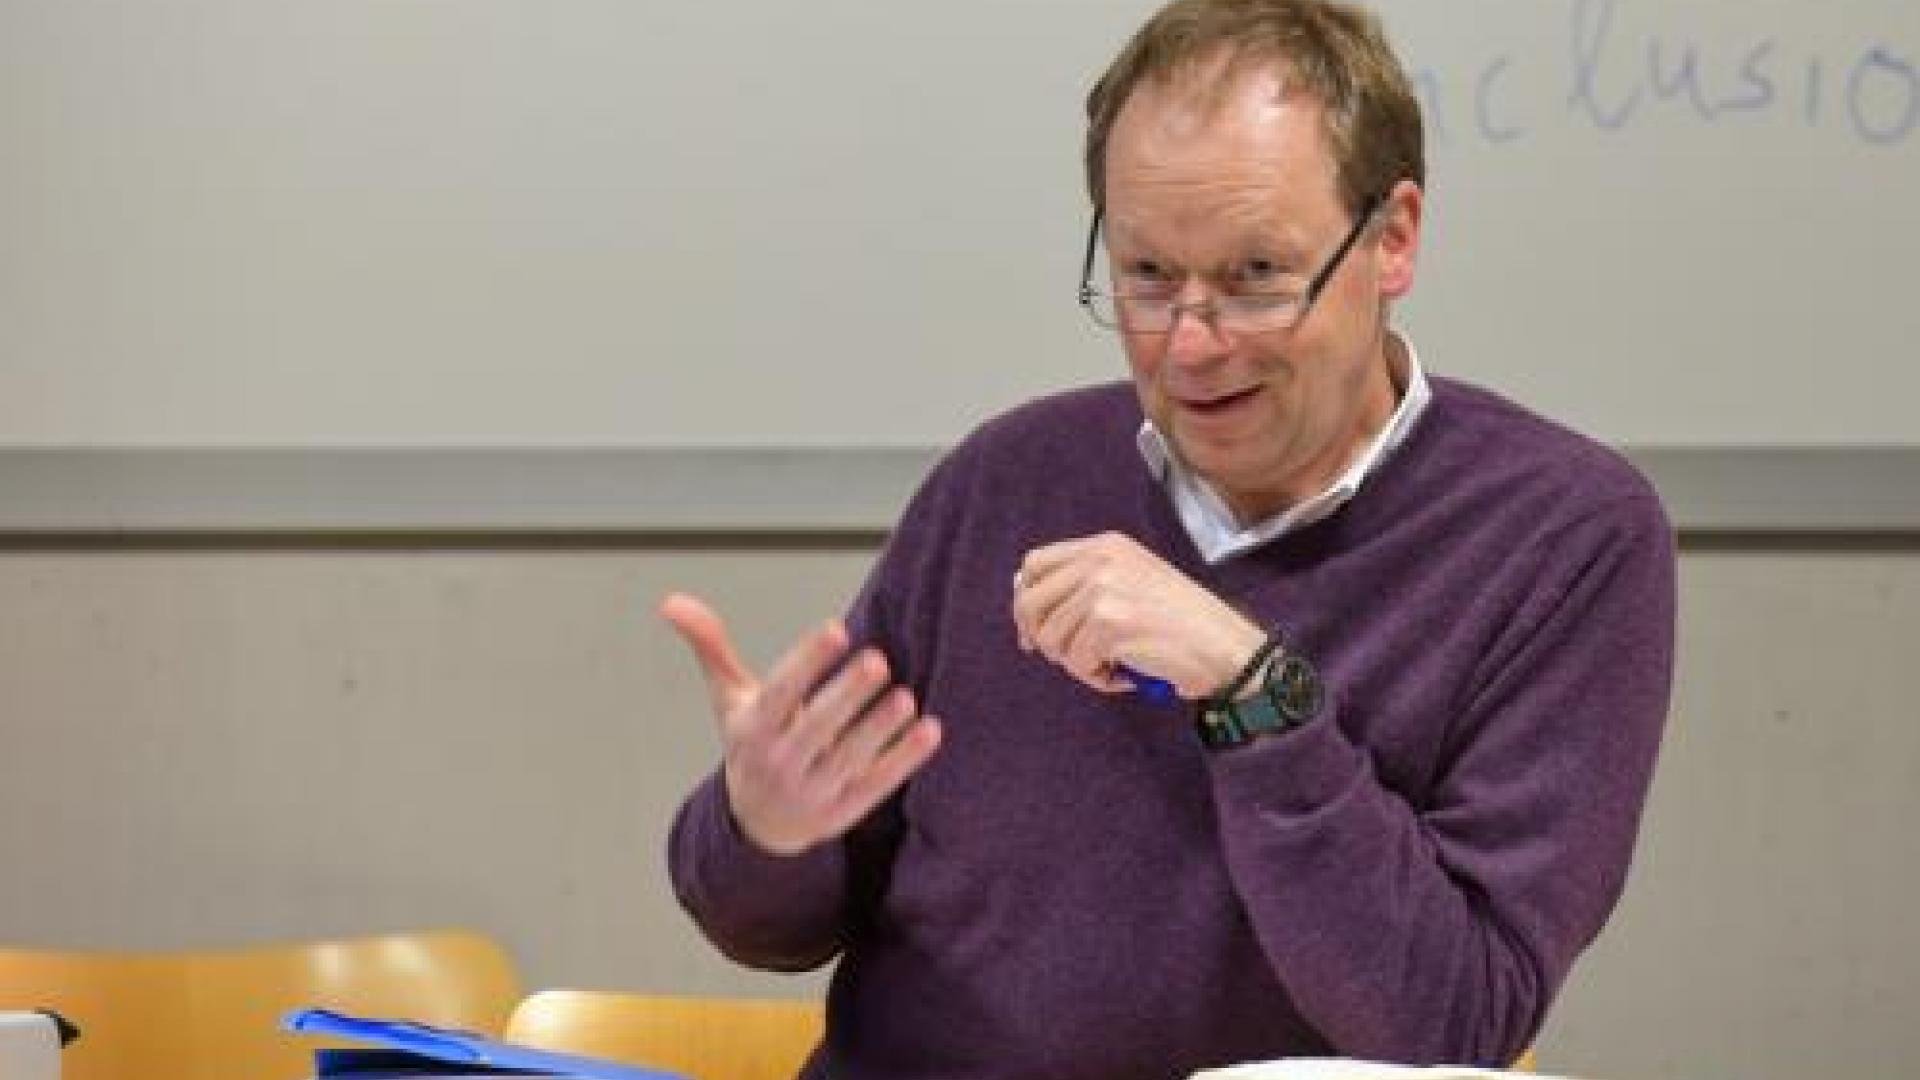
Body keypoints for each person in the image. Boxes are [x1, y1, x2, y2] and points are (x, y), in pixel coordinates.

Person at [660, 1, 1675, 1076]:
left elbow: (1454, 1023)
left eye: (1254, 278)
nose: (1190, 345)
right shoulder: (1011, 477)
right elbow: (766, 925)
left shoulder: (1562, 537)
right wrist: (766, 827)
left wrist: (1254, 692)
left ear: (1392, 239)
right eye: (1147, 276)